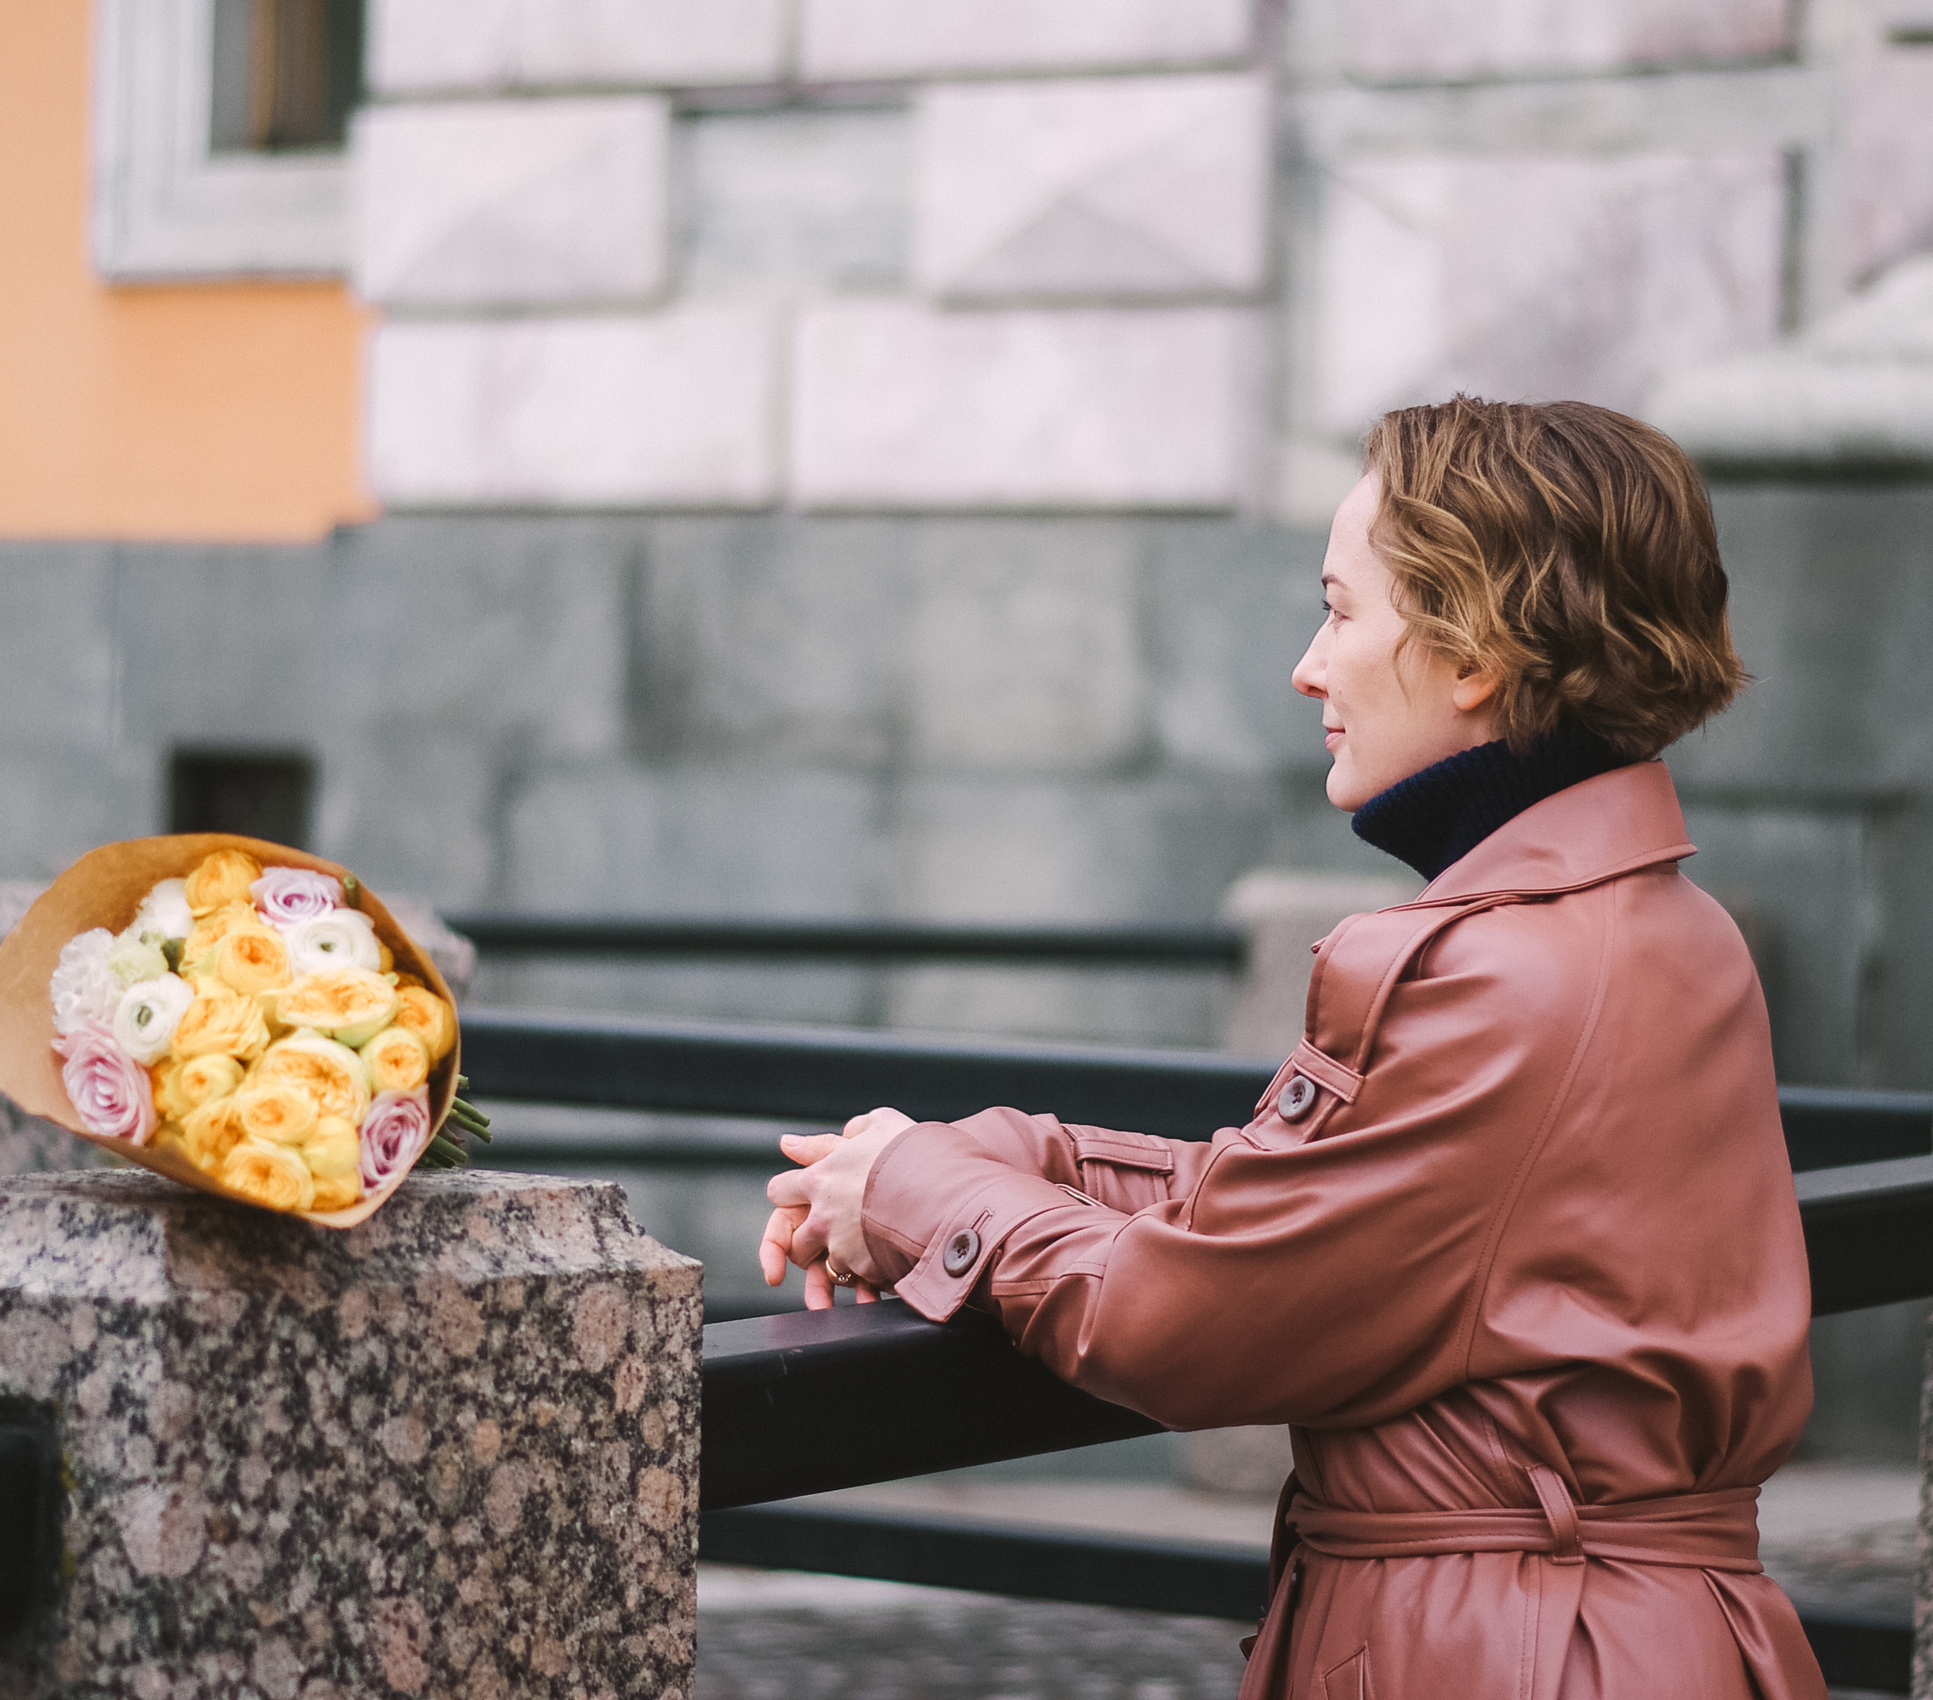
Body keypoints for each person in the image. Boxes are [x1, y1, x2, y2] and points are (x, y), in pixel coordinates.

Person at [759, 396, 1826, 1700]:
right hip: (1590, 1633)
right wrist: (994, 1157)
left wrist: (923, 1191)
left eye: (1342, 609)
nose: (1308, 666)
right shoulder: (1659, 925)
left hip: (1516, 1651)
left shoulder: (1506, 969)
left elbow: (1191, 1317)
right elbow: (1336, 1220)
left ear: (1472, 647)